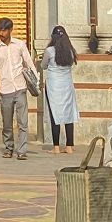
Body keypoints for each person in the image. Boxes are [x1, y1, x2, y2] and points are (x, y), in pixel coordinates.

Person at [0, 17, 35, 161]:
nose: (1, 33)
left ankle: (22, 150)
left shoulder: (20, 45)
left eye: (4, 30)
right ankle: (9, 147)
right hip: (6, 89)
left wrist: (35, 81)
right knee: (7, 122)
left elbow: (29, 62)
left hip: (20, 87)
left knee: (22, 121)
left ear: (10, 30)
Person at [39, 25, 79, 155]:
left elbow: (43, 66)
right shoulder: (71, 51)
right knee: (69, 115)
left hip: (53, 86)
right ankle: (69, 146)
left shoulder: (50, 51)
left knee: (54, 115)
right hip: (67, 85)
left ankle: (56, 147)